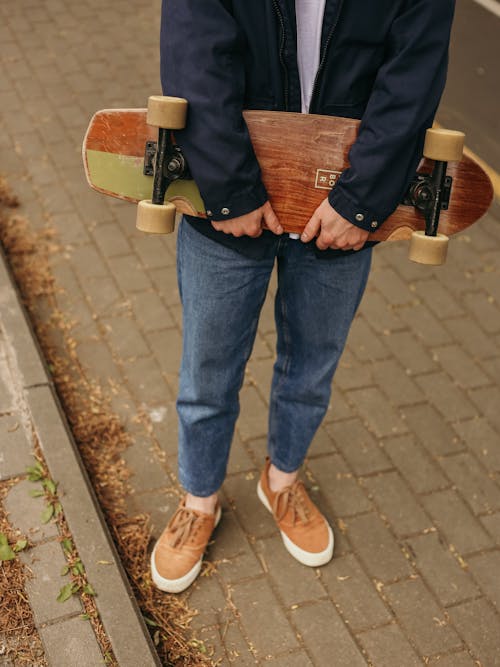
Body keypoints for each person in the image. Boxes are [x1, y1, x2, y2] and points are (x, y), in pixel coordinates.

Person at [151, 0, 456, 593]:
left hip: (342, 206)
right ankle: (200, 500)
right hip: (230, 200)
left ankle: (282, 481)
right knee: (207, 371)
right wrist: (232, 189)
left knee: (312, 366)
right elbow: (195, 53)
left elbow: (413, 75)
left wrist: (360, 201)